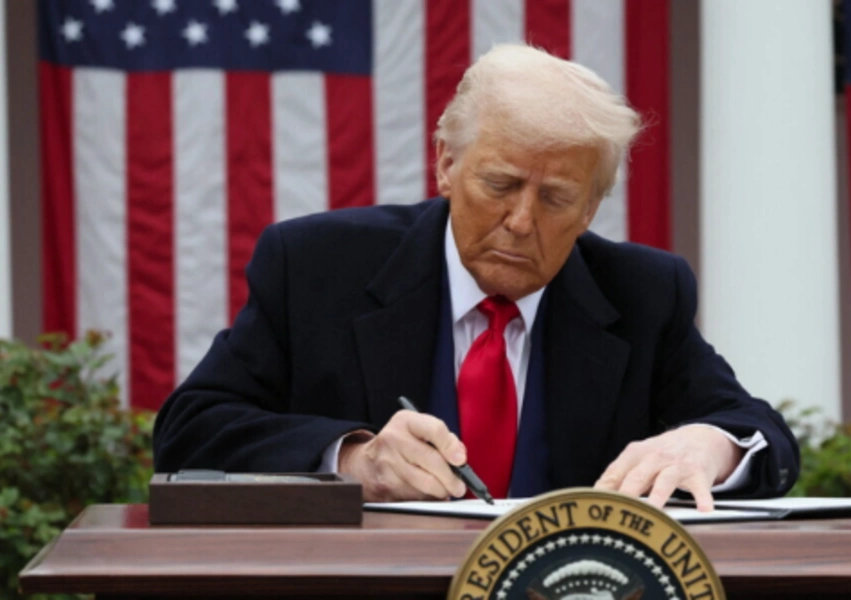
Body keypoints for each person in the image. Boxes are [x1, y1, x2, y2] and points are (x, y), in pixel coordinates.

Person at [153, 44, 799, 511]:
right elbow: (189, 433)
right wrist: (351, 460)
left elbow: (758, 433)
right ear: (445, 164)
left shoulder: (643, 293)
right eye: (500, 185)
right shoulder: (316, 266)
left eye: (555, 199)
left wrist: (710, 446)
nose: (520, 222)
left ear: (592, 208)